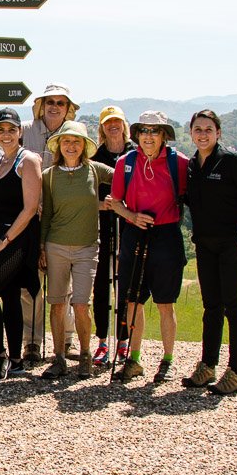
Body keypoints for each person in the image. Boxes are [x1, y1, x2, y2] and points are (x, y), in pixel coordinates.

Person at [107, 110, 189, 383]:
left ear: (164, 135)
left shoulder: (180, 164)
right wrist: (132, 217)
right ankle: (135, 359)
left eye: (155, 131)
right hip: (135, 233)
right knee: (133, 301)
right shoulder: (125, 163)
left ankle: (167, 361)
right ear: (137, 134)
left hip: (166, 236)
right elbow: (114, 201)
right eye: (144, 131)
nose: (149, 137)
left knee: (166, 303)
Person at [181, 109, 237, 396]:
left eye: (208, 130)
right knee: (211, 307)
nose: (202, 134)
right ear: (191, 133)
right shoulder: (192, 165)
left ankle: (236, 373)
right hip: (206, 244)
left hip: (233, 243)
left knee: (235, 307)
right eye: (198, 129)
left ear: (218, 133)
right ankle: (207, 367)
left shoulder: (231, 162)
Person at [38, 121, 114, 378]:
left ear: (84, 146)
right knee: (58, 304)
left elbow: (123, 178)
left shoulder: (95, 170)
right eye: (67, 141)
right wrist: (41, 246)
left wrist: (115, 203)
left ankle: (84, 355)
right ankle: (59, 358)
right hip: (56, 245)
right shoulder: (49, 175)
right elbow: (46, 213)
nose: (71, 146)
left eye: (76, 141)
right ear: (60, 145)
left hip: (87, 247)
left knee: (82, 304)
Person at [0, 108, 42, 380]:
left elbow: (30, 208)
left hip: (17, 239)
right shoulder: (0, 160)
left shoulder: (28, 161)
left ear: (20, 132)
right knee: (10, 296)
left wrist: (4, 241)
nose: (6, 134)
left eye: (11, 129)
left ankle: (0, 354)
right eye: (1, 130)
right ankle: (15, 358)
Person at [19, 83, 81, 364]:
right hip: (29, 217)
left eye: (61, 102)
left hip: (63, 219)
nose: (55, 106)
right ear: (41, 104)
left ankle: (65, 339)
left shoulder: (75, 134)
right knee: (30, 283)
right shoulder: (24, 130)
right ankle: (31, 341)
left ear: (68, 108)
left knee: (63, 283)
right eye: (50, 101)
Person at [90, 105, 132, 369]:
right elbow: (88, 194)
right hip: (102, 227)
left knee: (125, 286)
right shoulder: (97, 156)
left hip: (129, 227)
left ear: (123, 125)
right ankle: (103, 340)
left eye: (116, 122)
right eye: (108, 123)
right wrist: (102, 204)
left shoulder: (136, 154)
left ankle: (124, 341)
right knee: (102, 286)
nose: (112, 126)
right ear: (102, 128)